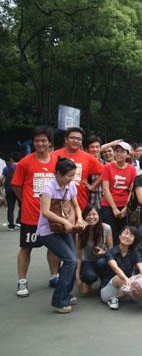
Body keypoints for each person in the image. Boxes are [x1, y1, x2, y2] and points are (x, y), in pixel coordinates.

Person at [11, 126, 60, 296]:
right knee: (26, 248)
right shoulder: (25, 162)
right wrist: (25, 201)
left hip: (52, 215)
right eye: (37, 140)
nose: (40, 143)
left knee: (54, 247)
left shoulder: (57, 161)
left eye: (43, 140)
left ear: (50, 143)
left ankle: (54, 276)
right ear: (33, 143)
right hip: (31, 216)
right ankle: (22, 281)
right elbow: (16, 185)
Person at [37, 157, 87, 313]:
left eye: (73, 175)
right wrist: (64, 221)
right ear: (58, 173)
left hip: (65, 229)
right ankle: (59, 301)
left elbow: (76, 206)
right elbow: (46, 212)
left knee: (73, 260)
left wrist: (79, 219)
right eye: (68, 176)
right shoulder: (48, 187)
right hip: (48, 231)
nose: (71, 179)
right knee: (70, 260)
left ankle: (65, 293)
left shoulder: (70, 186)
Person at [101, 225, 142, 310]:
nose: (127, 236)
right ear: (119, 236)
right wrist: (127, 280)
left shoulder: (134, 253)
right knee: (118, 277)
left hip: (127, 290)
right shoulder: (110, 252)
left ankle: (116, 298)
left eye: (131, 236)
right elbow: (115, 268)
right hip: (109, 291)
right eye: (126, 233)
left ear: (134, 240)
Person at [53, 127, 104, 211]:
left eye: (79, 139)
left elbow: (105, 171)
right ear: (66, 140)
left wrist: (92, 186)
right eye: (72, 138)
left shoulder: (88, 157)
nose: (76, 141)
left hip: (80, 202)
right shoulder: (54, 155)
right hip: (57, 202)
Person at [100, 141, 137, 245]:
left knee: (124, 234)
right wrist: (114, 208)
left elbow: (132, 190)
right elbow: (105, 189)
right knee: (110, 235)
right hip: (108, 206)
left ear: (127, 154)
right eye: (117, 151)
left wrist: (126, 207)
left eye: (122, 151)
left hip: (125, 206)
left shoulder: (132, 169)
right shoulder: (107, 167)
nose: (118, 154)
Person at [76, 205, 113, 294]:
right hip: (88, 261)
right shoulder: (80, 231)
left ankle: (104, 281)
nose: (91, 217)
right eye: (88, 215)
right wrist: (77, 277)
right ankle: (88, 279)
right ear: (84, 216)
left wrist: (103, 252)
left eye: (94, 214)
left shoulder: (106, 228)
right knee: (87, 286)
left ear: (99, 215)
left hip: (102, 260)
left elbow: (111, 251)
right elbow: (78, 257)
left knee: (101, 262)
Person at [1, 151, 22, 230]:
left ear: (11, 159)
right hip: (20, 189)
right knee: (22, 205)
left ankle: (11, 225)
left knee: (10, 207)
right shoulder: (22, 167)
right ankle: (19, 221)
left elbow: (1, 178)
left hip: (9, 189)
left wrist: (2, 185)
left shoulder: (7, 168)